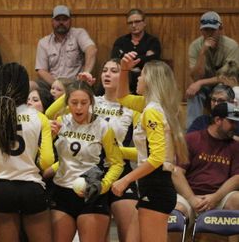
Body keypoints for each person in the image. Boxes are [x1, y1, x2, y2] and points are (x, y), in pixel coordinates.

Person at [45, 59, 138, 242]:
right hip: (66, 188)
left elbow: (121, 160)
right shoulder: (66, 118)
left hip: (101, 183)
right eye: (105, 70)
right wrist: (76, 87)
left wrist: (103, 184)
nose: (79, 107)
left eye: (83, 103)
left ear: (90, 103)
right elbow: (49, 115)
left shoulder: (118, 116)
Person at [112, 52, 189, 242]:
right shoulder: (150, 105)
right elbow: (121, 97)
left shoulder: (152, 112)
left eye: (141, 74)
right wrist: (124, 70)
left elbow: (156, 158)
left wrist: (125, 180)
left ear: (150, 80)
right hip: (151, 186)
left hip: (156, 186)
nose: (137, 78)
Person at [0, 62, 54, 242]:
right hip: (32, 188)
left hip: (3, 189)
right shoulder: (39, 118)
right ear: (24, 87)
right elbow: (47, 162)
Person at [172, 103, 239, 240]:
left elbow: (237, 177)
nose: (235, 127)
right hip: (189, 195)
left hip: (218, 196)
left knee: (237, 200)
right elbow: (177, 172)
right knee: (177, 211)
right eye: (231, 122)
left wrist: (215, 197)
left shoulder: (235, 146)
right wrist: (192, 199)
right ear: (217, 120)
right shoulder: (192, 139)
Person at [186, 11, 239, 127]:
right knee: (193, 92)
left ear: (220, 29)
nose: (209, 34)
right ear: (201, 30)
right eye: (206, 30)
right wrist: (202, 53)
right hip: (205, 86)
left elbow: (226, 78)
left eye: (213, 30)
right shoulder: (195, 46)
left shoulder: (231, 46)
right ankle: (192, 131)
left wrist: (200, 82)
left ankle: (228, 128)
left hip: (227, 85)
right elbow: (196, 77)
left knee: (223, 91)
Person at [35, 5, 97, 86]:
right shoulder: (43, 42)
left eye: (64, 19)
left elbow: (91, 49)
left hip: (76, 85)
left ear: (70, 21)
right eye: (58, 19)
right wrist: (57, 86)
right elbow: (41, 70)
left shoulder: (79, 34)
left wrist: (85, 73)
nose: (61, 22)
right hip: (52, 85)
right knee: (31, 85)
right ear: (52, 21)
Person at [111, 9, 162, 93]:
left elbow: (152, 61)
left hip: (146, 79)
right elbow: (115, 60)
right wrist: (143, 57)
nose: (134, 25)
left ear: (144, 23)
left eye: (137, 22)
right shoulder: (121, 41)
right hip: (125, 78)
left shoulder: (152, 41)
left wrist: (126, 59)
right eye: (130, 23)